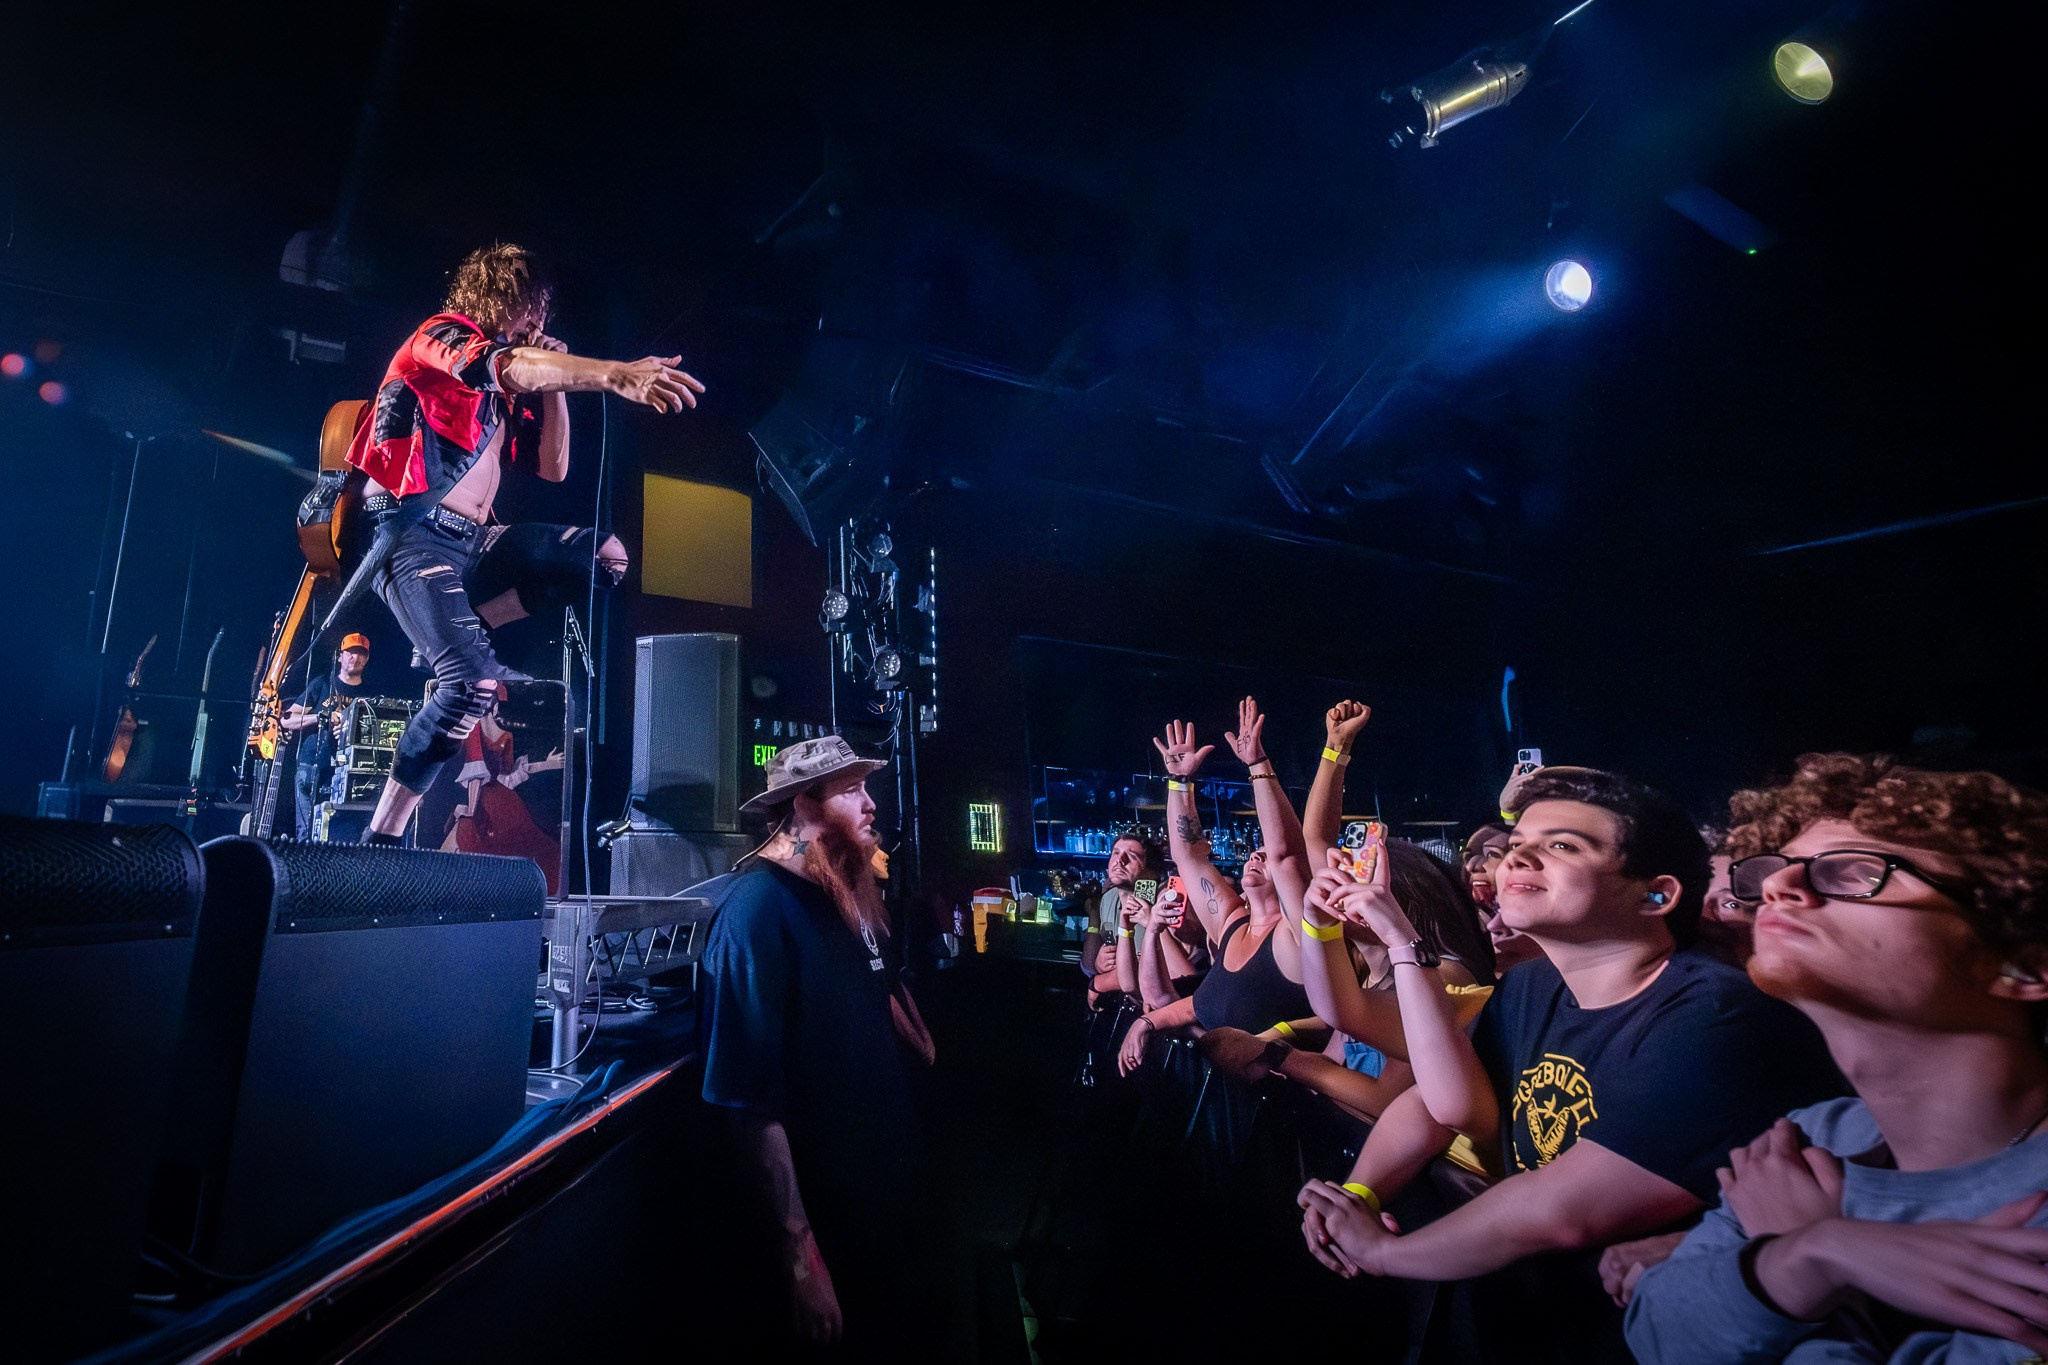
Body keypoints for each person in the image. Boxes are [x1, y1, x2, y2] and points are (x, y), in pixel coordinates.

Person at [1298, 766, 1844, 1363]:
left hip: (1652, 1333)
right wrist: (1361, 1194)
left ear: (1656, 894)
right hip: (1544, 1317)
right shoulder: (1532, 987)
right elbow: (1432, 1100)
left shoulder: (1715, 1015)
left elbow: (1560, 1212)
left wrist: (1382, 1254)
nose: (1518, 859)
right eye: (1516, 846)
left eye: (1562, 845)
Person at [1625, 754, 2048, 1362]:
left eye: (1854, 870)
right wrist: (1808, 1255)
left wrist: (1802, 1254)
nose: (1775, 886)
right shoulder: (1814, 1138)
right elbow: (1656, 1334)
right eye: (1775, 869)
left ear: (2024, 966)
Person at [349, 243, 705, 844]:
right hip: (413, 537)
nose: (538, 326)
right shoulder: (438, 337)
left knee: (605, 557)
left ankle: (465, 627)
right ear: (494, 300)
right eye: (527, 312)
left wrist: (556, 387)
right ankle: (382, 836)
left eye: (542, 315)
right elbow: (504, 364)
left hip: (473, 544)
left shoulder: (501, 394)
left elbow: (554, 468)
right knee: (472, 686)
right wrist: (614, 374)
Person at [698, 736, 937, 1354]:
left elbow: (874, 1000)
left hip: (878, 1211)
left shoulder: (841, 895)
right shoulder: (757, 910)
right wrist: (801, 1256)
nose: (870, 804)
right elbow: (746, 1101)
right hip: (827, 1229)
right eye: (852, 790)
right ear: (804, 804)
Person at [280, 632, 370, 841]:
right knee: (306, 832)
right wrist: (321, 718)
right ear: (339, 656)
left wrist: (347, 731)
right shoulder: (322, 684)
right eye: (350, 653)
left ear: (366, 659)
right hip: (311, 765)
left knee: (341, 834)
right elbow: (286, 720)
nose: (354, 658)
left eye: (359, 654)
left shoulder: (368, 693)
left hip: (349, 772)